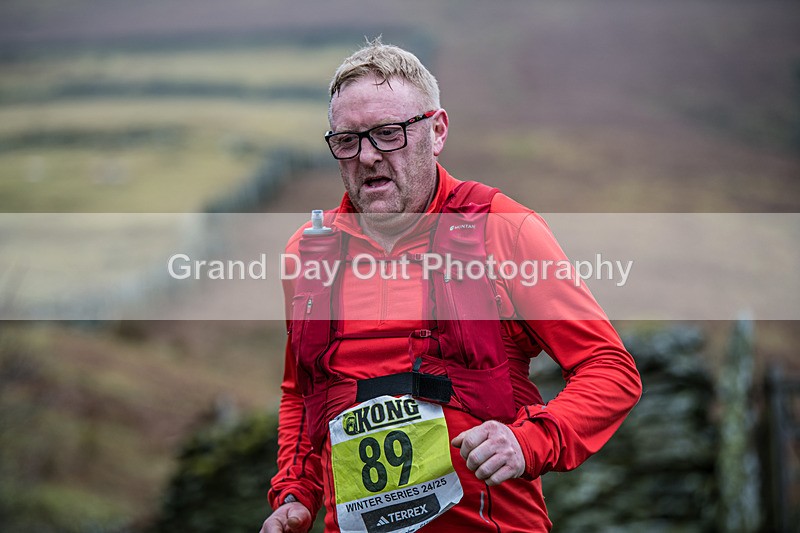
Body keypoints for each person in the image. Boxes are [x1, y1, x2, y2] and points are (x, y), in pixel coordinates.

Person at [260, 38, 641, 533]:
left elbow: (610, 370)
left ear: (436, 131)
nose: (369, 156)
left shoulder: (503, 228)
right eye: (348, 140)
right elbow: (303, 393)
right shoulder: (307, 253)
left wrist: (528, 442)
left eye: (389, 133)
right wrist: (294, 493)